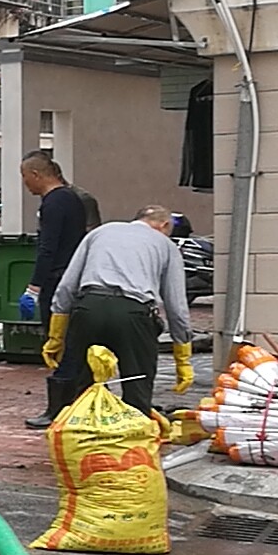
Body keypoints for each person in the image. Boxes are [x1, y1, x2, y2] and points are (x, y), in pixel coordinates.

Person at [43, 205, 195, 418]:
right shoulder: (166, 245)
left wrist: (56, 335)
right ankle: (132, 439)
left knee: (85, 388)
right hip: (134, 314)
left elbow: (67, 286)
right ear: (165, 225)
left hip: (88, 309)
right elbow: (176, 305)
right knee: (137, 384)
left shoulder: (100, 232)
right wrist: (182, 357)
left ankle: (84, 436)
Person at [16, 152, 88, 429]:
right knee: (75, 341)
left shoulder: (54, 203)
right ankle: (81, 402)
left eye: (25, 177)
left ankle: (58, 408)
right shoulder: (73, 198)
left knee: (58, 341)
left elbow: (48, 247)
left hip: (58, 281)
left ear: (36, 175)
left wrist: (34, 288)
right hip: (74, 278)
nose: (25, 184)